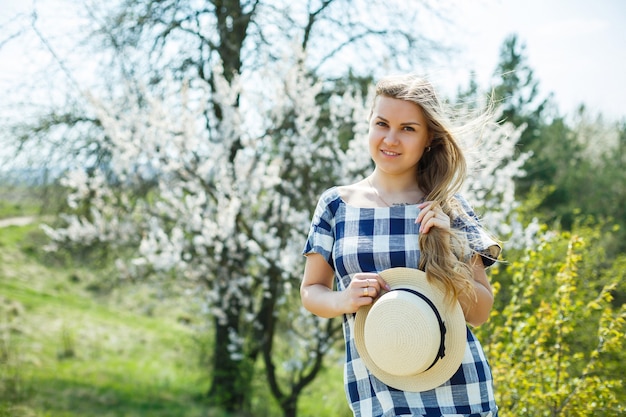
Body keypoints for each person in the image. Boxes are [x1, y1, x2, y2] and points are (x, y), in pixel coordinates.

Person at [300, 73, 501, 417]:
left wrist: (451, 252)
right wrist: (342, 299)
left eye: (408, 128)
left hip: (461, 395)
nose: (390, 139)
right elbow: (311, 291)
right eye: (382, 124)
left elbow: (480, 312)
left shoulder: (451, 207)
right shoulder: (336, 205)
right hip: (379, 394)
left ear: (428, 139)